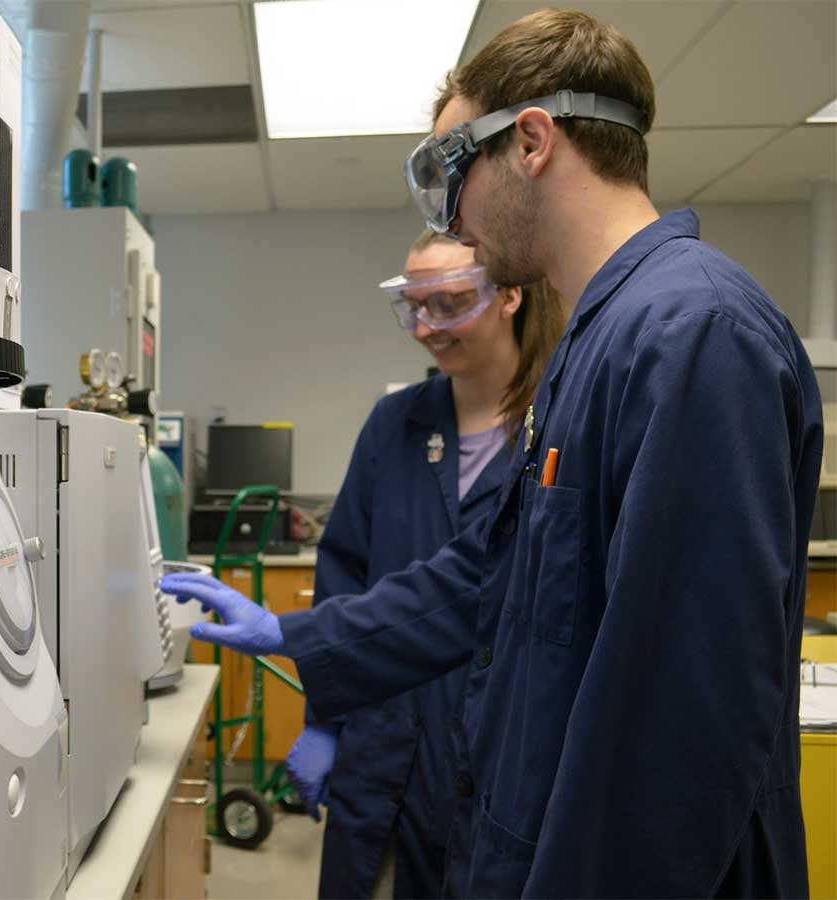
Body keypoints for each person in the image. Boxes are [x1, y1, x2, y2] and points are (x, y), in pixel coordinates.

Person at [163, 9, 823, 898]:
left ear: (533, 141)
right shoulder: (597, 344)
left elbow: (688, 721)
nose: (454, 217)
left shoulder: (690, 333)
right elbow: (491, 578)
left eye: (452, 171)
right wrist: (294, 632)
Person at [289, 232, 567, 900]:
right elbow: (344, 573)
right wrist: (324, 719)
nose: (427, 328)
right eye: (415, 307)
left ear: (509, 295)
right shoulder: (395, 425)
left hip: (501, 753)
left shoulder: (557, 426)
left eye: (449, 304)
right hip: (381, 740)